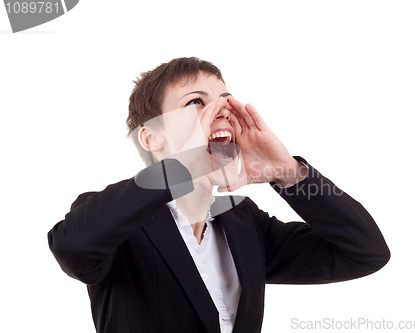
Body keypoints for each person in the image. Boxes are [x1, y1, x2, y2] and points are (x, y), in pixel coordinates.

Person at [48, 57, 390, 333]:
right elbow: (72, 246)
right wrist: (185, 166)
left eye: (225, 100)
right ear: (151, 138)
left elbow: (366, 252)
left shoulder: (245, 224)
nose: (222, 110)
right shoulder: (114, 221)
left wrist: (289, 173)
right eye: (196, 102)